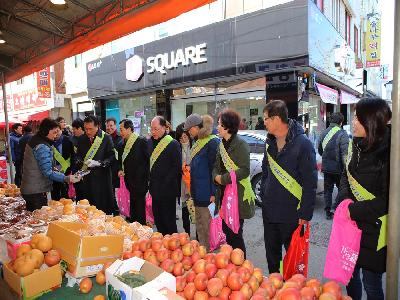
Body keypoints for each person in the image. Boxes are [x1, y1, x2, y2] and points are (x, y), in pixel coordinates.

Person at [337, 98, 391, 300]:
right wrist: (344, 200)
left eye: (357, 118)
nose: (353, 122)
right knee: (350, 276)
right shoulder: (355, 144)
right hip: (351, 226)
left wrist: (353, 210)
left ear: (371, 121)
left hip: (375, 230)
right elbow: (345, 175)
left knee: (372, 284)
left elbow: (389, 200)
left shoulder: (389, 153)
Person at [261, 100, 317, 273]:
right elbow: (265, 172)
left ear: (277, 119)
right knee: (272, 258)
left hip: (292, 214)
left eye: (266, 119)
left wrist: (305, 213)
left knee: (293, 260)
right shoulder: (269, 143)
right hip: (270, 212)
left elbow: (310, 181)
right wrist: (264, 193)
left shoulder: (303, 144)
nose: (264, 122)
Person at [212, 109, 255, 256]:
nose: (217, 127)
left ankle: (241, 264)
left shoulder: (241, 144)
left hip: (238, 196)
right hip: (223, 195)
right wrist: (215, 176)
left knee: (235, 233)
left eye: (219, 124)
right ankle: (232, 265)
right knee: (226, 231)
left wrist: (223, 179)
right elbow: (216, 167)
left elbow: (244, 170)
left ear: (227, 126)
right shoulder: (221, 144)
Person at [20, 118, 81, 211]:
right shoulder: (42, 146)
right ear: (46, 131)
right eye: (54, 132)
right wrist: (67, 178)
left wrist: (53, 169)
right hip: (36, 191)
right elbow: (47, 172)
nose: (56, 135)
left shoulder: (36, 139)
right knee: (39, 221)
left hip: (32, 189)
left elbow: (41, 165)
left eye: (58, 132)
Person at [184, 114, 219, 250]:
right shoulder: (198, 142)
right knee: (200, 227)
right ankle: (204, 257)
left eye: (189, 130)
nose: (188, 133)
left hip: (207, 195)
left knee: (208, 229)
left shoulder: (212, 142)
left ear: (196, 127)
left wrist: (214, 193)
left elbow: (215, 170)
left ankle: (211, 260)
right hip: (198, 193)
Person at [75, 115, 116, 214]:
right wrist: (80, 162)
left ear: (97, 126)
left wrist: (100, 163)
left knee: (103, 208)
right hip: (87, 178)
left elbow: (111, 156)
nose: (88, 132)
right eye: (85, 129)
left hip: (102, 178)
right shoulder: (81, 139)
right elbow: (77, 156)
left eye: (90, 129)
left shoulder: (106, 138)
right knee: (89, 208)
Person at [148, 116, 181, 235]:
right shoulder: (150, 142)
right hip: (154, 189)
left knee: (169, 221)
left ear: (164, 128)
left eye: (156, 129)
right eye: (151, 129)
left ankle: (173, 244)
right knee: (159, 220)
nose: (153, 132)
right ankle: (162, 245)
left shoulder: (173, 143)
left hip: (168, 190)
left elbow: (176, 167)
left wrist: (164, 182)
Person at [117, 119, 149, 224]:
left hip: (140, 181)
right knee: (132, 209)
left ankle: (141, 231)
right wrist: (120, 169)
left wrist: (146, 178)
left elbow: (148, 161)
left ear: (129, 129)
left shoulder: (141, 141)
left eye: (121, 130)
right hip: (128, 181)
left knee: (140, 209)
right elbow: (120, 161)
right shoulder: (121, 144)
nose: (120, 132)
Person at [318, 112, 349, 219]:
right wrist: (347, 169)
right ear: (341, 122)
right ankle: (336, 208)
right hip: (338, 168)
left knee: (328, 190)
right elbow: (345, 154)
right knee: (342, 189)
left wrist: (326, 159)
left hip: (326, 167)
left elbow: (320, 150)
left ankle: (328, 211)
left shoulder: (323, 133)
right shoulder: (342, 134)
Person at [175, 123, 192, 235]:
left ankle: (199, 235)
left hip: (193, 182)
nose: (183, 140)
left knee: (196, 210)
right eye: (180, 138)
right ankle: (187, 233)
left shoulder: (195, 145)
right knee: (185, 209)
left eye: (185, 137)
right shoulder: (176, 147)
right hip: (182, 183)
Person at [51, 125, 73, 200]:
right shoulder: (49, 141)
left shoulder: (68, 140)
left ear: (61, 130)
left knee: (66, 194)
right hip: (54, 171)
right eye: (54, 131)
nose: (56, 133)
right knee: (55, 192)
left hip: (66, 169)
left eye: (57, 131)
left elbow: (73, 155)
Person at [70, 118, 85, 199]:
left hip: (86, 171)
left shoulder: (88, 138)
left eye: (74, 129)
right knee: (78, 192)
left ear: (80, 128)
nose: (73, 131)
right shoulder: (71, 139)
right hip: (76, 170)